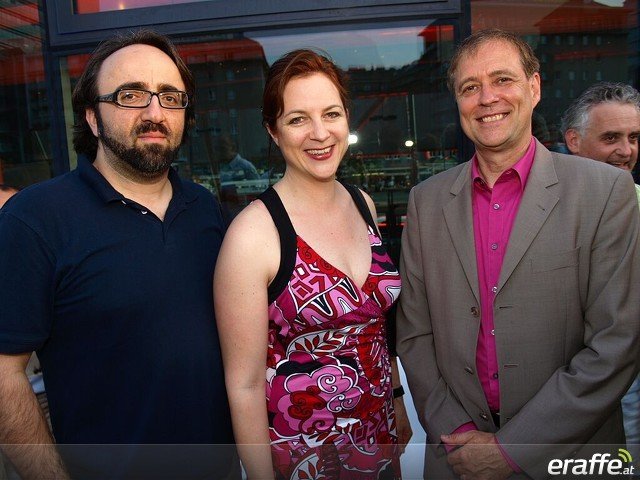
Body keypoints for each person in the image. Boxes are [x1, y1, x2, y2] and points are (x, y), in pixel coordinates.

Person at [396, 29, 640, 479]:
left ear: (534, 87)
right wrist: (456, 431)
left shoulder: (605, 192)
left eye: (502, 79)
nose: (487, 98)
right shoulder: (426, 202)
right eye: (470, 87)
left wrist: (510, 450)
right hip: (457, 458)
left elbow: (616, 343)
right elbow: (414, 333)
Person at [0, 29, 235, 479]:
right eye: (131, 95)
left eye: (170, 97)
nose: (154, 113)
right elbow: (4, 373)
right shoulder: (35, 219)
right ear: (92, 117)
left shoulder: (205, 210)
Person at [214, 49, 412, 480]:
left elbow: (378, 328)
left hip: (378, 441)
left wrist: (397, 398)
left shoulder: (362, 203)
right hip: (307, 460)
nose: (320, 134)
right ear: (273, 131)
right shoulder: (253, 236)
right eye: (298, 119)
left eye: (331, 114)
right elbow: (244, 386)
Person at [562, 81, 640, 450]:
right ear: (574, 140)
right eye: (611, 138)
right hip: (568, 383)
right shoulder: (545, 207)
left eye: (634, 137)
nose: (626, 151)